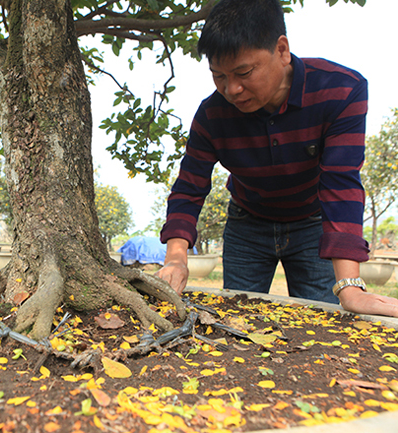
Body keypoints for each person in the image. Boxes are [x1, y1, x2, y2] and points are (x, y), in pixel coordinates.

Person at [156, 0, 398, 318]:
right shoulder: (212, 115)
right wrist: (176, 257)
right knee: (238, 320)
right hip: (247, 225)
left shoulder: (340, 91)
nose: (232, 89)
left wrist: (350, 286)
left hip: (312, 224)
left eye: (244, 72)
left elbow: (340, 183)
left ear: (281, 50)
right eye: (218, 76)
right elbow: (190, 186)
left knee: (323, 320)